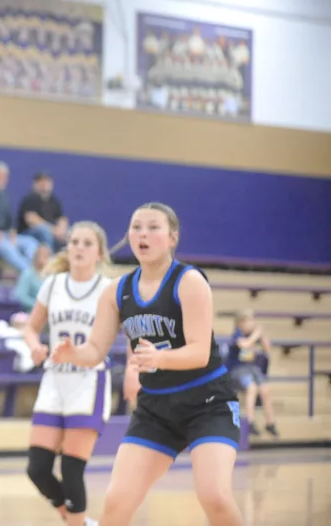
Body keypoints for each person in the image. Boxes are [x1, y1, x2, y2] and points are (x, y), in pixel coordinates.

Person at [52, 203, 243, 526]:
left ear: (172, 237)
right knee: (116, 501)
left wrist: (160, 358)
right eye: (136, 227)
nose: (143, 234)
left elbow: (199, 352)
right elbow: (95, 350)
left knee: (215, 497)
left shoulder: (189, 281)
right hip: (156, 409)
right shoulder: (116, 291)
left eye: (153, 227)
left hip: (208, 404)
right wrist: (73, 353)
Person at [22, 222, 113, 526]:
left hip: (88, 380)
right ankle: (80, 521)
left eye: (87, 243)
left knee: (72, 470)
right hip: (54, 380)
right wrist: (35, 346)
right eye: (74, 241)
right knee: (37, 469)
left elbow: (129, 334)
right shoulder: (53, 284)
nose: (79, 248)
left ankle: (77, 521)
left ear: (99, 253)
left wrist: (134, 370)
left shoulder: (108, 289)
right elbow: (31, 328)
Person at [228, 309, 278, 437]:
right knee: (252, 387)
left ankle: (270, 423)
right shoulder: (237, 334)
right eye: (247, 321)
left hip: (252, 368)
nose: (251, 323)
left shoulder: (253, 335)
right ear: (240, 323)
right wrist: (256, 335)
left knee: (265, 389)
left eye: (252, 320)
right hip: (238, 370)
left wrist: (262, 335)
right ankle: (249, 421)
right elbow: (245, 345)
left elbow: (268, 349)